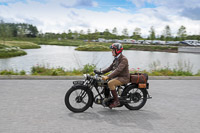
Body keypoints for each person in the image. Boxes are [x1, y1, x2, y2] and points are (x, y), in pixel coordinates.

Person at [101, 43, 130, 108]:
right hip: (117, 77)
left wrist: (108, 76)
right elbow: (110, 68)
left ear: (118, 50)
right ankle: (108, 98)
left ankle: (117, 101)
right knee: (104, 82)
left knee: (111, 83)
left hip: (123, 78)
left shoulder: (123, 59)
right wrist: (100, 72)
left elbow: (118, 70)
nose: (112, 51)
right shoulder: (116, 58)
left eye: (113, 50)